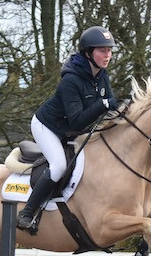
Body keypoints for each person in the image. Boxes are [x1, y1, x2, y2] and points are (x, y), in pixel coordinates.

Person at [17, 25, 119, 231]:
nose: (107, 55)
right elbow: (78, 121)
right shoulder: (71, 81)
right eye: (102, 50)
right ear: (88, 53)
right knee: (59, 166)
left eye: (109, 50)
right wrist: (104, 105)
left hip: (70, 129)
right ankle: (27, 213)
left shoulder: (101, 75)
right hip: (48, 127)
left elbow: (109, 107)